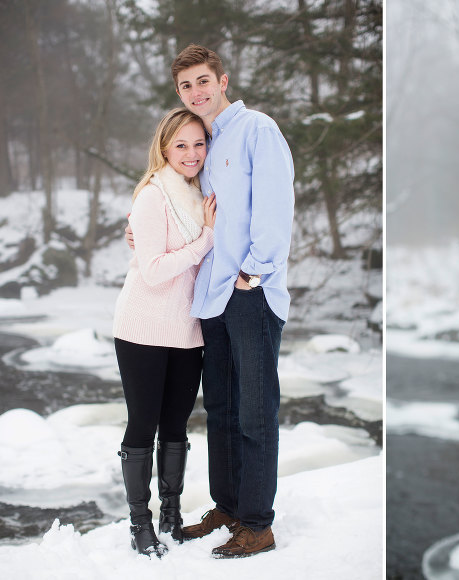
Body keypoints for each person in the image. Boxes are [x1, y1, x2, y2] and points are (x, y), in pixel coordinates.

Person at [124, 44, 295, 558]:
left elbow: (275, 204)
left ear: (223, 80)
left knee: (254, 411)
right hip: (211, 296)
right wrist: (137, 230)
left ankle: (258, 523)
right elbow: (174, 200)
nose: (196, 92)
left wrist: (255, 271)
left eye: (203, 81)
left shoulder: (257, 131)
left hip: (249, 291)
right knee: (220, 408)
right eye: (185, 86)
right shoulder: (202, 141)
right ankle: (228, 506)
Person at [114, 108, 216, 557]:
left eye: (199, 144)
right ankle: (140, 523)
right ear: (164, 148)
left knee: (176, 424)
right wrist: (205, 240)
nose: (192, 154)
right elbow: (153, 272)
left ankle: (172, 513)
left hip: (187, 327)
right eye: (182, 145)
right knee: (143, 424)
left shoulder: (200, 193)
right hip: (142, 327)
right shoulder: (153, 196)